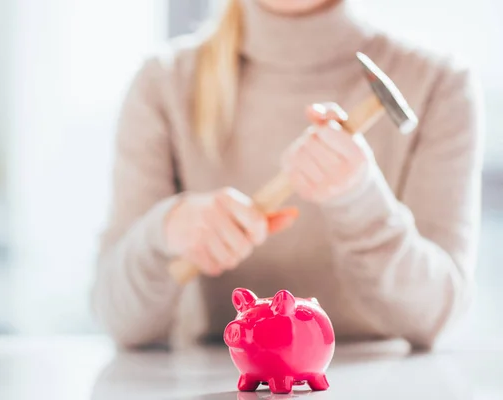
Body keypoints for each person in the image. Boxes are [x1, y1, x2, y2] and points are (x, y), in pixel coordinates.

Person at [92, 0, 483, 350]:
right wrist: (165, 233)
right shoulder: (162, 84)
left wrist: (360, 201)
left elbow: (437, 315)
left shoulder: (440, 83)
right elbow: (118, 320)